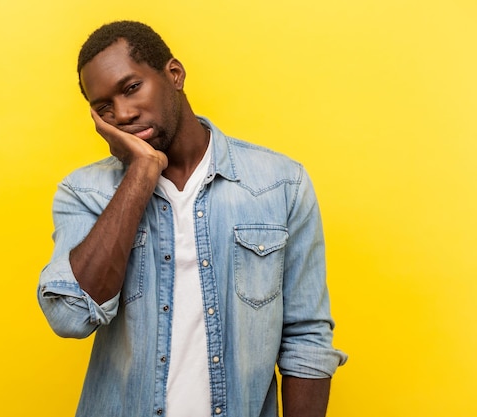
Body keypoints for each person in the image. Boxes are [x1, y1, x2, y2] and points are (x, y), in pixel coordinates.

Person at [38, 20, 347, 417]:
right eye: (104, 109)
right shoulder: (85, 193)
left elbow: (306, 340)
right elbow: (71, 317)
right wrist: (141, 172)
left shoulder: (280, 184)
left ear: (174, 74)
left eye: (132, 88)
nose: (123, 114)